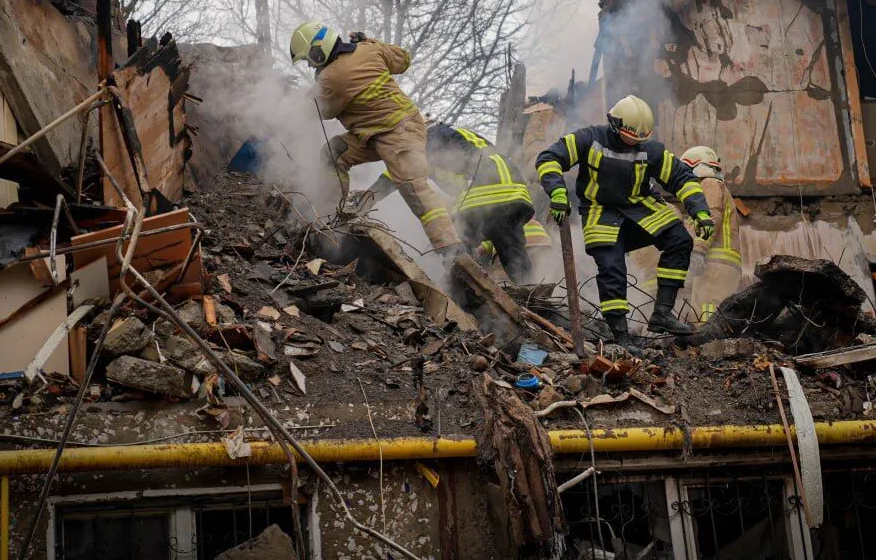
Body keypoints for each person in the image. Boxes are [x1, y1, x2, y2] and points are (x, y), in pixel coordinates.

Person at [535, 95, 714, 345]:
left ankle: (662, 313)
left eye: (641, 139)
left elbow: (682, 178)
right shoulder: (588, 138)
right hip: (600, 212)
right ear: (614, 124)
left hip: (640, 207)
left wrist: (701, 212)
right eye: (631, 138)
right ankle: (621, 336)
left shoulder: (650, 150)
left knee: (679, 240)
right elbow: (549, 158)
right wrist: (556, 192)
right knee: (612, 269)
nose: (634, 144)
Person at [289, 21, 461, 257]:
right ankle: (333, 215)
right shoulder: (368, 50)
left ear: (318, 51)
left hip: (399, 133)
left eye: (309, 59)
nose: (310, 65)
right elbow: (403, 59)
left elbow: (318, 110)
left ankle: (452, 251)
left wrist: (288, 100)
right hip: (377, 134)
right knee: (334, 152)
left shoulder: (331, 77)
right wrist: (368, 41)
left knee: (415, 190)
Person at [367, 123, 535, 283]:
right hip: (514, 186)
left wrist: (367, 200)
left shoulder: (429, 136)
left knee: (452, 240)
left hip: (487, 180)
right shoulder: (455, 137)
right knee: (510, 246)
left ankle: (461, 291)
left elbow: (399, 172)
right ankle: (532, 294)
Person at [677, 146, 743, 322]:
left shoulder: (709, 184)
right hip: (715, 263)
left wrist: (698, 250)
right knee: (702, 312)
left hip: (714, 261)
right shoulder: (711, 186)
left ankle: (710, 346)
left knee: (707, 314)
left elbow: (712, 217)